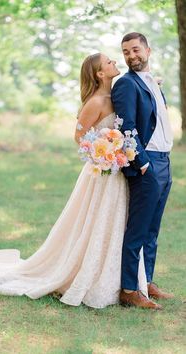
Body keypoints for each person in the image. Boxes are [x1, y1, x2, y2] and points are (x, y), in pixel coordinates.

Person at [0, 53, 148, 308]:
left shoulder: (116, 98)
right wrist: (104, 152)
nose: (114, 63)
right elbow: (79, 137)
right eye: (109, 62)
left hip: (116, 174)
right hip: (101, 173)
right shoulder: (96, 101)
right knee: (93, 223)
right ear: (100, 74)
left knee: (115, 224)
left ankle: (116, 280)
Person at [112, 32, 174, 310]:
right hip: (147, 165)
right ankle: (128, 290)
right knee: (137, 230)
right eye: (126, 52)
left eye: (135, 49)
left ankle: (146, 281)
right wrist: (144, 163)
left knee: (152, 230)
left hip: (165, 161)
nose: (131, 56)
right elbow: (127, 128)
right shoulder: (125, 84)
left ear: (148, 50)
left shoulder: (152, 83)